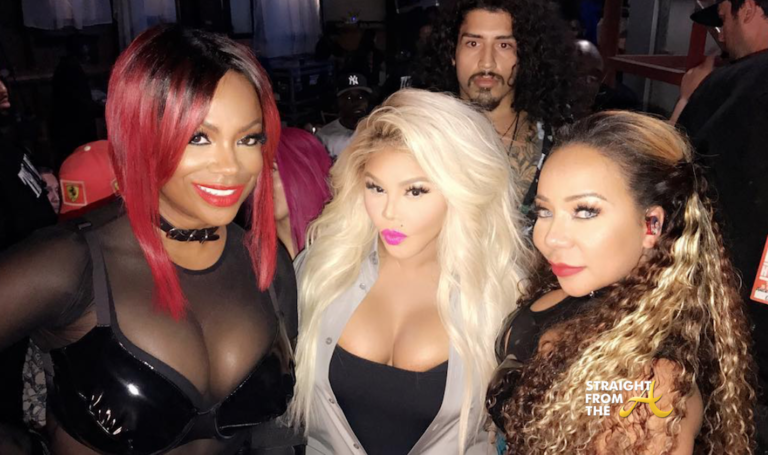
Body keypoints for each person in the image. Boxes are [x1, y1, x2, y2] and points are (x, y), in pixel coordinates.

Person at [0, 25, 298, 455]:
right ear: (141, 135)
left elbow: (275, 434)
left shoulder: (267, 264)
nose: (231, 166)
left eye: (248, 138)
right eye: (199, 137)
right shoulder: (71, 264)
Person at [487, 111, 755, 454]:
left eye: (585, 211)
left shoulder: (653, 384)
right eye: (544, 211)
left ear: (652, 225)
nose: (550, 237)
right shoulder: (583, 286)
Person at [289, 89, 531, 455]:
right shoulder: (320, 271)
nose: (389, 212)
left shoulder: (505, 296)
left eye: (415, 191)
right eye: (376, 187)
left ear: (461, 190)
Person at [671, 0, 768, 399]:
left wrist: (686, 100)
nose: (721, 36)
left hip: (737, 321)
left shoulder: (731, 86)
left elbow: (664, 174)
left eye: (723, 20)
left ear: (748, 9)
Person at [416, 0, 580, 207]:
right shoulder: (417, 137)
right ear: (452, 53)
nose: (487, 62)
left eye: (504, 45)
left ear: (525, 56)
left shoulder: (562, 141)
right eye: (473, 43)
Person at [273, 127, 332, 259]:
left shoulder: (343, 247)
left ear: (303, 173)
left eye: (272, 169)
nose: (261, 183)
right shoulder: (247, 253)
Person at [315, 72, 372, 160]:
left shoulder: (377, 131)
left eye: (360, 97)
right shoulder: (324, 137)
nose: (356, 102)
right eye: (349, 98)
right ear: (339, 102)